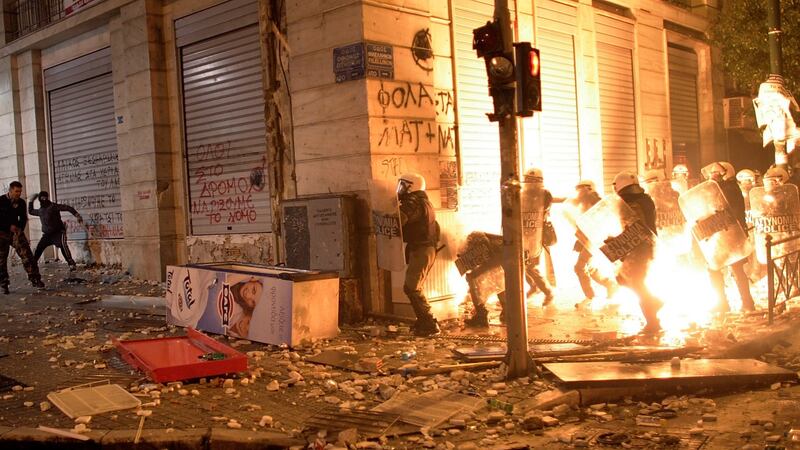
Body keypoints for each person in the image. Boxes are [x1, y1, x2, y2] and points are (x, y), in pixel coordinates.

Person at [612, 172, 663, 334]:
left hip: (638, 248)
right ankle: (654, 302)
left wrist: (617, 242)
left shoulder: (630, 203)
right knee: (623, 279)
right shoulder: (644, 199)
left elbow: (635, 228)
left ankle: (653, 322)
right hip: (645, 246)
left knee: (636, 282)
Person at [702, 162, 756, 313]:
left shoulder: (730, 189)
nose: (713, 175)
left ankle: (747, 303)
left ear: (726, 174)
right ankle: (723, 303)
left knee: (736, 270)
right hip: (717, 235)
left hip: (731, 234)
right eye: (712, 172)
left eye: (717, 172)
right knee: (714, 269)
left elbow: (729, 211)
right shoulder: (713, 188)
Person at [397, 173, 441, 336]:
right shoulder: (423, 201)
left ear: (411, 186)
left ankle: (429, 323)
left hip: (422, 248)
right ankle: (424, 321)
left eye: (403, 185)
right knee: (413, 286)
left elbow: (399, 219)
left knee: (412, 287)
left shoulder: (413, 202)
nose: (400, 189)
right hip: (424, 248)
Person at [567, 180, 616, 305]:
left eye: (581, 189)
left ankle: (590, 297)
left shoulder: (596, 202)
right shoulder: (584, 202)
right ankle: (610, 285)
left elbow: (598, 221)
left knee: (579, 267)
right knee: (589, 268)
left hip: (595, 239)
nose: (578, 192)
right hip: (589, 239)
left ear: (589, 189)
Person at [0, 181, 44, 294]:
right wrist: (8, 226)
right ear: (10, 191)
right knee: (1, 260)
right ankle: (4, 283)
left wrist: (20, 229)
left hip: (16, 233)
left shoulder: (21, 203)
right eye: (16, 191)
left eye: (20, 191)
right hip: (2, 233)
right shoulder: (1, 201)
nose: (18, 194)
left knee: (27, 255)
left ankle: (35, 279)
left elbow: (23, 218)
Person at [522, 168, 554, 306]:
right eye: (527, 180)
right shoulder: (522, 194)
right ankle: (534, 287)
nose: (529, 183)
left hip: (537, 234)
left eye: (532, 180)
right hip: (524, 232)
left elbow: (542, 209)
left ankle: (548, 292)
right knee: (522, 264)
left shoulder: (544, 194)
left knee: (531, 266)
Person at [28, 191, 83, 270]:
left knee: (63, 246)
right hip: (47, 235)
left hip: (58, 232)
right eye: (42, 198)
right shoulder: (40, 210)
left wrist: (77, 215)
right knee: (39, 248)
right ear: (39, 199)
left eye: (45, 197)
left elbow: (67, 207)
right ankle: (32, 265)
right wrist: (31, 201)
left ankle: (71, 263)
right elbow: (31, 211)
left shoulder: (53, 206)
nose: (44, 199)